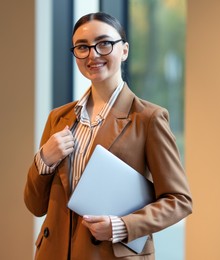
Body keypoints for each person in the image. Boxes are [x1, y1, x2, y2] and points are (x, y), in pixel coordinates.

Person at [24, 12, 192, 260]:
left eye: (104, 43)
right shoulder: (58, 119)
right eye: (82, 47)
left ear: (124, 50)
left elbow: (179, 201)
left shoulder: (148, 118)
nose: (93, 54)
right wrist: (44, 161)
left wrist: (121, 225)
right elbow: (35, 205)